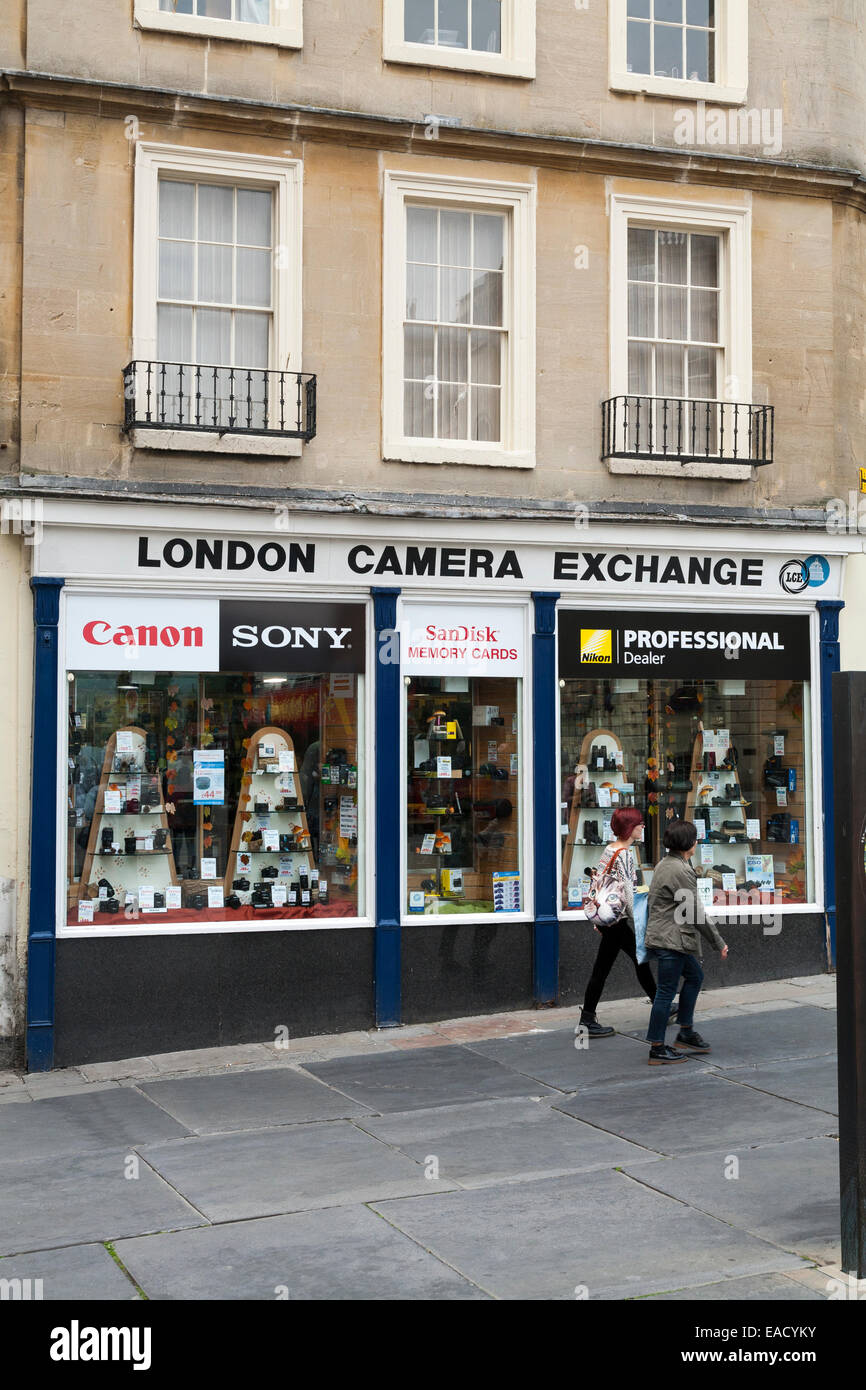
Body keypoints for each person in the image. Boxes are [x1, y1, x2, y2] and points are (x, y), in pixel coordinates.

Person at [644, 819, 729, 1066]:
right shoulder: (680, 870)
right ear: (688, 843)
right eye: (695, 839)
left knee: (695, 977)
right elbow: (695, 911)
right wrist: (718, 942)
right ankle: (657, 1048)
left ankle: (685, 1032)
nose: (697, 842)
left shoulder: (667, 864)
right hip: (671, 939)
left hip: (670, 937)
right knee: (665, 992)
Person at [580, 807, 657, 1037]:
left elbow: (599, 884)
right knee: (637, 958)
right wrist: (639, 919)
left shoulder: (609, 850)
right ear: (630, 828)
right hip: (618, 920)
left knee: (604, 968)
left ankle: (587, 1019)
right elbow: (629, 893)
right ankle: (661, 1003)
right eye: (639, 824)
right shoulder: (624, 854)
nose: (643, 826)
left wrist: (600, 918)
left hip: (608, 919)